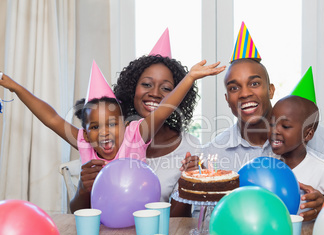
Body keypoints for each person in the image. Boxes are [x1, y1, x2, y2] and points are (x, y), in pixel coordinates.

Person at [0, 58, 225, 212]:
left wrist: (190, 78)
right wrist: (17, 88)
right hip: (103, 230)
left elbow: (165, 108)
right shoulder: (86, 145)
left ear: (125, 125)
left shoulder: (134, 137)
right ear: (86, 135)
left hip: (141, 228)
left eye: (112, 124)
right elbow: (51, 118)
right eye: (95, 127)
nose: (105, 133)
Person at [182, 22, 324, 221]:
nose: (245, 93)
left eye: (254, 83)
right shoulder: (212, 153)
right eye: (234, 88)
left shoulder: (315, 137)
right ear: (227, 100)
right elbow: (201, 218)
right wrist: (193, 181)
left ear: (271, 90)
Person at [268, 92, 324, 218]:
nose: (274, 130)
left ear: (308, 134)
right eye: (271, 124)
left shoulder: (323, 170)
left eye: (285, 126)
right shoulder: (267, 165)